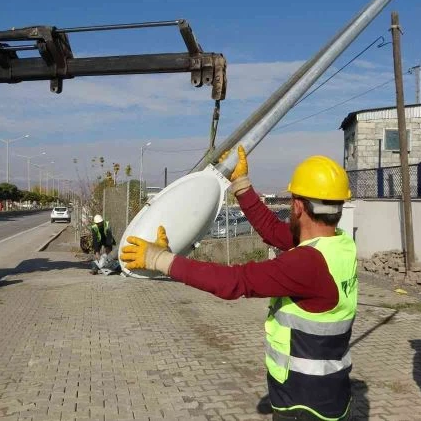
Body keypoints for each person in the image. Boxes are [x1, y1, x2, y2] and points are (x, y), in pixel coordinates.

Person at [121, 146, 358, 421]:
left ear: (297, 206)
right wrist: (242, 185)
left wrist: (159, 259)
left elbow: (234, 282)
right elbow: (273, 231)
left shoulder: (307, 264)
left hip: (304, 404)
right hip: (334, 394)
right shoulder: (341, 245)